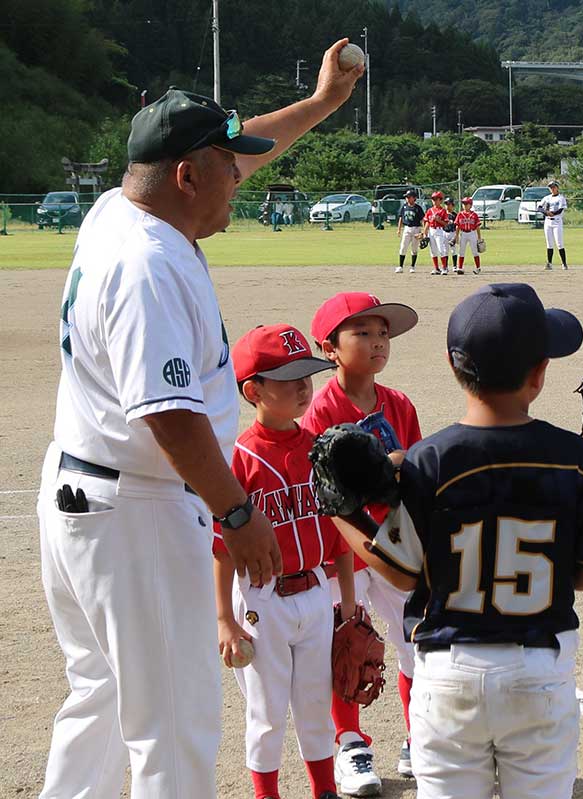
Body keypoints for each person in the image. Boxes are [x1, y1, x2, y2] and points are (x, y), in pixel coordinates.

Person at [36, 41, 360, 799]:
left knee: (103, 698)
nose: (239, 181)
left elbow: (245, 154)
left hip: (89, 495)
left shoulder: (123, 208)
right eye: (228, 167)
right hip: (137, 510)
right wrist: (238, 511)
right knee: (175, 725)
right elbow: (170, 414)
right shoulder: (148, 263)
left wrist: (320, 105)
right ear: (187, 175)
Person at [331, 282, 583, 799]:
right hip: (538, 668)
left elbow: (401, 572)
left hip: (449, 672)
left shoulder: (430, 459)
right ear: (538, 374)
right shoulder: (572, 458)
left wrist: (340, 513)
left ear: (453, 365)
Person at [215, 324, 353, 799]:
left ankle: (324, 791)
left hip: (316, 591)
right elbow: (221, 547)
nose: (302, 387)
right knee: (267, 711)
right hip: (261, 598)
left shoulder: (321, 447)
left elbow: (339, 532)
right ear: (252, 390)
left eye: (306, 375)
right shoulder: (239, 458)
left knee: (315, 704)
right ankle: (267, 794)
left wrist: (349, 604)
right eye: (287, 377)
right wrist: (225, 620)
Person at [301, 291, 421, 794]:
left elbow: (416, 472)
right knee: (346, 648)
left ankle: (422, 737)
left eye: (383, 334)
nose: (377, 343)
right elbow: (322, 495)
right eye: (363, 333)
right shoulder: (319, 411)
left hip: (394, 544)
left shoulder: (399, 404)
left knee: (415, 643)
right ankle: (351, 742)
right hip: (341, 553)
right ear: (329, 347)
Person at [538, 180, 568, 270]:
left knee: (559, 243)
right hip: (548, 222)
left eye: (554, 187)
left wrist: (553, 213)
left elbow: (560, 210)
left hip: (557, 221)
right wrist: (546, 212)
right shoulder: (547, 198)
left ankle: (564, 263)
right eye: (551, 187)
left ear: (557, 187)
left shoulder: (561, 198)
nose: (552, 189)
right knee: (549, 243)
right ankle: (549, 264)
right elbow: (539, 208)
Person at [422, 190, 451, 275]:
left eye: (436, 199)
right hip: (431, 230)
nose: (434, 201)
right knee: (433, 251)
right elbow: (427, 222)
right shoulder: (429, 210)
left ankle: (444, 268)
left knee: (441, 250)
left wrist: (439, 220)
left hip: (439, 230)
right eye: (433, 199)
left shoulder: (443, 211)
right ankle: (436, 268)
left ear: (440, 200)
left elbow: (446, 224)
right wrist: (424, 233)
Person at [395, 188, 424, 274]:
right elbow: (401, 218)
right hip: (407, 228)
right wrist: (399, 229)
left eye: (409, 197)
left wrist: (422, 232)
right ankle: (400, 266)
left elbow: (423, 220)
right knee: (403, 247)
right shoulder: (404, 207)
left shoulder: (418, 208)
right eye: (406, 197)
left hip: (416, 229)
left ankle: (412, 266)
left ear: (414, 198)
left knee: (414, 249)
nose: (407, 198)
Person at [454, 196, 484, 274]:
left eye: (466, 204)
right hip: (463, 233)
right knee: (461, 251)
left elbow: (477, 227)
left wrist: (479, 238)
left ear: (471, 205)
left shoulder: (474, 215)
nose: (464, 205)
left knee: (475, 251)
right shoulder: (460, 214)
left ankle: (478, 268)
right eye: (463, 204)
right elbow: (457, 226)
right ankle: (460, 268)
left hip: (472, 233)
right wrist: (456, 236)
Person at [443, 197, 460, 273]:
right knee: (445, 251)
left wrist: (456, 236)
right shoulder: (443, 214)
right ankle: (445, 266)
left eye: (448, 204)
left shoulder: (455, 215)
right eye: (446, 204)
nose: (447, 206)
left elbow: (457, 226)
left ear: (452, 205)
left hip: (452, 233)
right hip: (444, 233)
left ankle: (454, 266)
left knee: (453, 251)